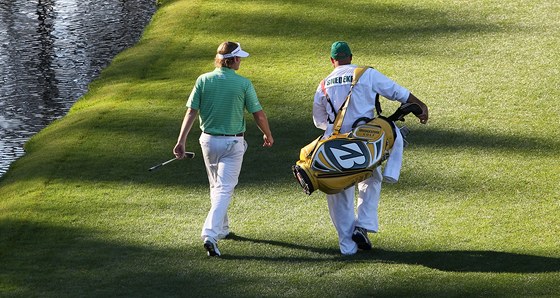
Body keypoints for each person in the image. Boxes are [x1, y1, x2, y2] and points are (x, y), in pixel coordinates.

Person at [312, 41, 429, 255]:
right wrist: (421, 106)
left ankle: (347, 248)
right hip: (365, 144)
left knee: (339, 192)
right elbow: (398, 92)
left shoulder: (323, 84)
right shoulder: (366, 73)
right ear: (351, 56)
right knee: (371, 178)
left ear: (332, 61)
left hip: (334, 147)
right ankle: (363, 226)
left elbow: (319, 121)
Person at [173, 41, 274, 257]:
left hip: (207, 142)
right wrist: (267, 133)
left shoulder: (203, 80)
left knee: (216, 186)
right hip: (232, 143)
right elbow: (258, 114)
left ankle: (223, 228)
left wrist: (181, 141)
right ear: (234, 59)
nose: (241, 62)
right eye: (240, 58)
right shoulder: (243, 83)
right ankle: (210, 234)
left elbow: (191, 112)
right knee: (225, 188)